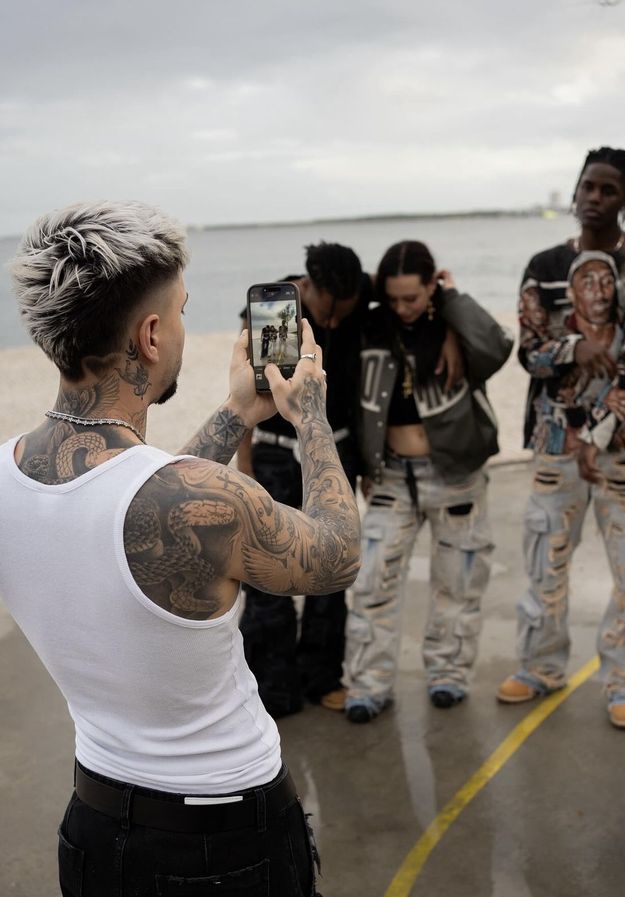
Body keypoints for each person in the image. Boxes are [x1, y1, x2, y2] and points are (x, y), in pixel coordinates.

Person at [0, 201, 360, 895]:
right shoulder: (189, 499)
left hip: (94, 828)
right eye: (185, 312)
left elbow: (129, 501)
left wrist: (236, 413)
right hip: (225, 843)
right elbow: (336, 554)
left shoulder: (8, 473)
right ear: (152, 334)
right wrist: (309, 415)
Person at [496, 146, 625, 729]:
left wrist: (597, 429)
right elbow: (529, 349)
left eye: (609, 189)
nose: (594, 197)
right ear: (575, 190)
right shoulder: (544, 262)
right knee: (546, 557)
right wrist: (576, 348)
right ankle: (541, 666)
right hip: (554, 441)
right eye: (588, 186)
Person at [345, 240, 514, 723]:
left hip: (456, 473)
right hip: (392, 475)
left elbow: (498, 345)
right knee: (372, 579)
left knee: (457, 583)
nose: (402, 308)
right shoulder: (372, 323)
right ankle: (369, 684)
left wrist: (453, 304)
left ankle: (448, 675)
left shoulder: (452, 322)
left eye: (412, 299)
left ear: (432, 287)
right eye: (393, 298)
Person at [237, 243, 372, 717]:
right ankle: (271, 689)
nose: (333, 322)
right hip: (274, 456)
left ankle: (322, 676)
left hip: (334, 450)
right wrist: (245, 466)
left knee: (331, 568)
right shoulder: (273, 312)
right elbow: (245, 394)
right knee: (267, 571)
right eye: (328, 310)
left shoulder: (355, 292)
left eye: (344, 310)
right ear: (308, 287)